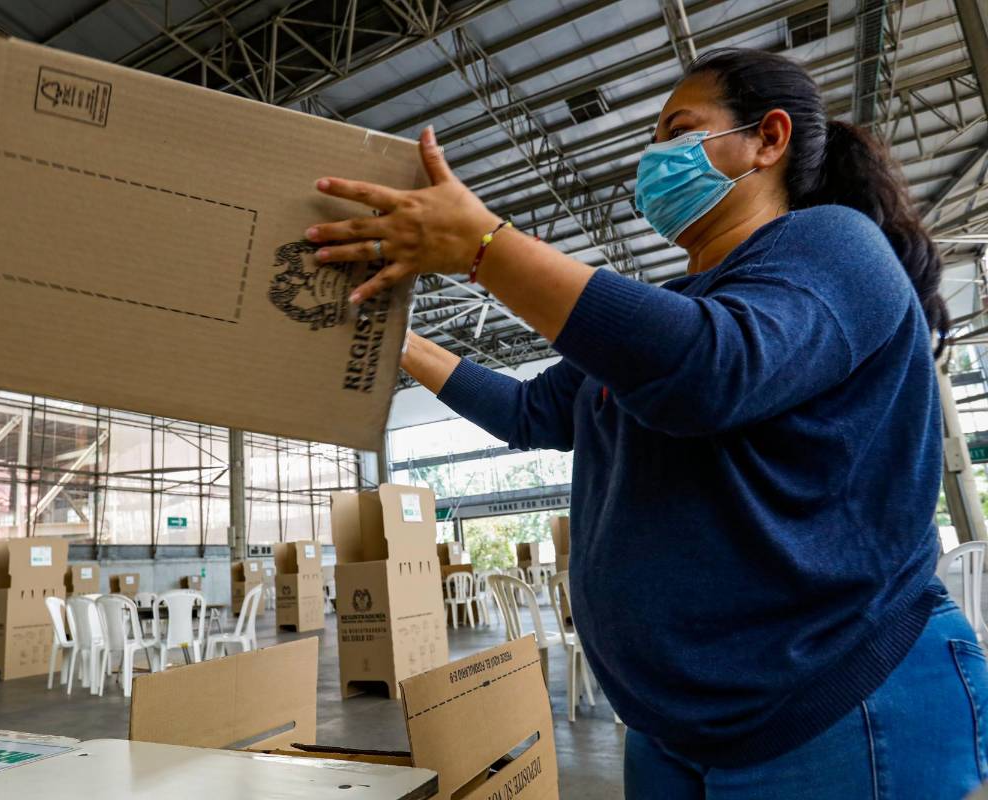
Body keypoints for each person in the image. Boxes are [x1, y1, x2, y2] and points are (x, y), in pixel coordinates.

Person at [306, 48, 988, 798]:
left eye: (679, 128)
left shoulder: (834, 247)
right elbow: (531, 410)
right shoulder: (669, 315)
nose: (654, 156)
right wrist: (396, 340)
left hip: (836, 708)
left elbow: (711, 372)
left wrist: (483, 250)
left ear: (770, 138)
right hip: (673, 730)